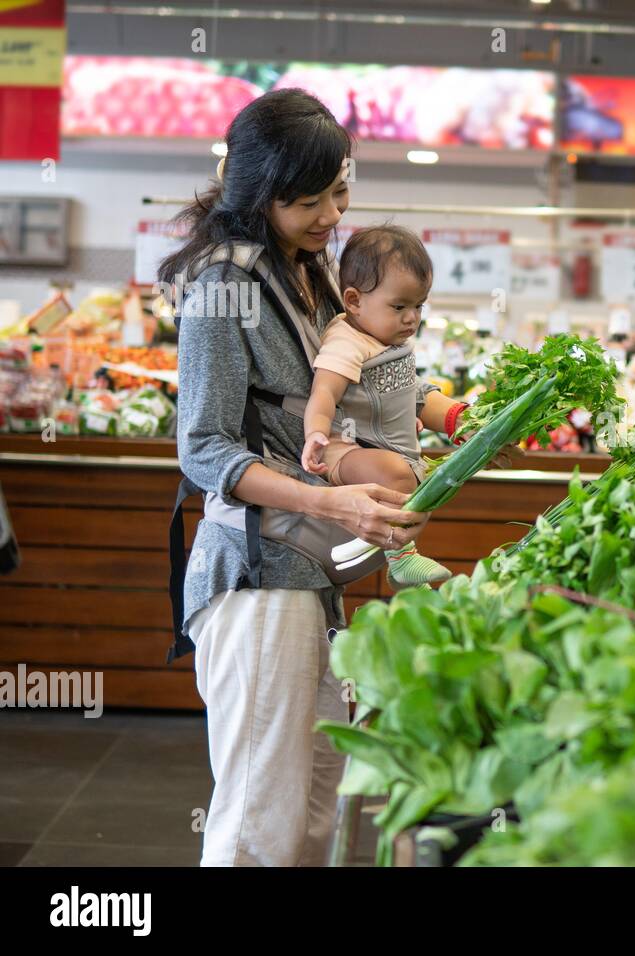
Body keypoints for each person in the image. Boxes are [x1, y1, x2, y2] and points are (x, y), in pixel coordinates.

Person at [163, 89, 481, 867]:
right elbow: (202, 447)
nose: (332, 215)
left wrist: (448, 414)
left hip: (306, 576)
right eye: (307, 200)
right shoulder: (224, 282)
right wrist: (328, 497)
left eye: (339, 191)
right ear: (258, 193)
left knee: (311, 806)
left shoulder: (305, 274)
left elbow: (360, 380)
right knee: (256, 819)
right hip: (254, 575)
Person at [300, 225, 460, 587]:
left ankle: (376, 547)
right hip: (343, 450)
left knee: (423, 479)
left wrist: (454, 417)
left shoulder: (387, 337)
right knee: (395, 474)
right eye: (399, 306)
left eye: (418, 306)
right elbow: (323, 394)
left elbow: (410, 392)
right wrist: (315, 436)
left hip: (381, 443)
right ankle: (401, 558)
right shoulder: (348, 342)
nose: (411, 318)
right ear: (354, 301)